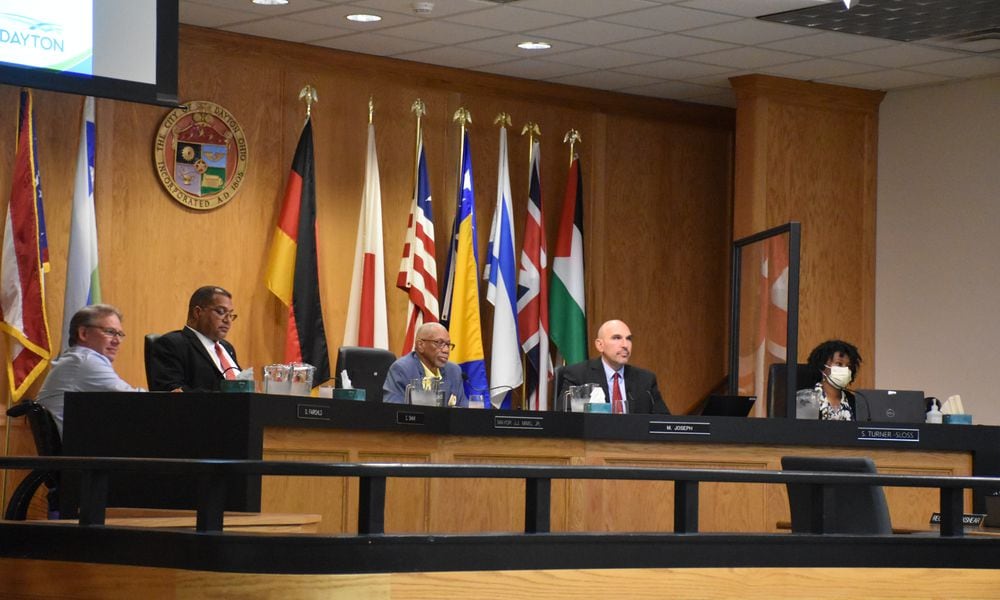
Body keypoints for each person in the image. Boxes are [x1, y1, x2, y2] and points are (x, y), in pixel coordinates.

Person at [37, 304, 144, 436]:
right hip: (81, 451)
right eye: (110, 332)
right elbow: (135, 400)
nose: (117, 341)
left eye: (120, 334)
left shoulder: (76, 359)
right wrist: (167, 397)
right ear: (83, 333)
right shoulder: (85, 360)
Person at [558, 319, 669, 414]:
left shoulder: (645, 380)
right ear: (600, 345)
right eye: (617, 338)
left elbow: (663, 421)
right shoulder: (578, 375)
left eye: (629, 339)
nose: (625, 345)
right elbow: (564, 418)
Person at [149, 285, 241, 392]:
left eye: (230, 315)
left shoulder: (227, 347)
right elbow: (171, 392)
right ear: (198, 312)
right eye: (221, 312)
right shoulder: (172, 345)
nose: (228, 320)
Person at [382, 322, 467, 406]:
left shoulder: (454, 371)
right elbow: (394, 411)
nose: (446, 350)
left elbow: (464, 412)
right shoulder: (402, 369)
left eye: (448, 345)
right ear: (420, 345)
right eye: (439, 343)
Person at [796, 339, 862, 421]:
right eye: (839, 364)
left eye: (849, 366)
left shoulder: (855, 402)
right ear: (822, 367)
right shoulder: (805, 399)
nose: (845, 369)